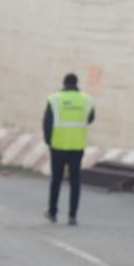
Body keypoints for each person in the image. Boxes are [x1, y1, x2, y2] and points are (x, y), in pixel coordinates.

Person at [43, 73, 95, 226]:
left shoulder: (54, 99)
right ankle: (72, 216)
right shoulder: (86, 100)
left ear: (64, 83)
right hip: (77, 146)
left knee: (56, 180)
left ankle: (52, 212)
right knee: (75, 181)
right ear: (76, 83)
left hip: (58, 146)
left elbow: (47, 123)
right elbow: (90, 118)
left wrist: (48, 141)